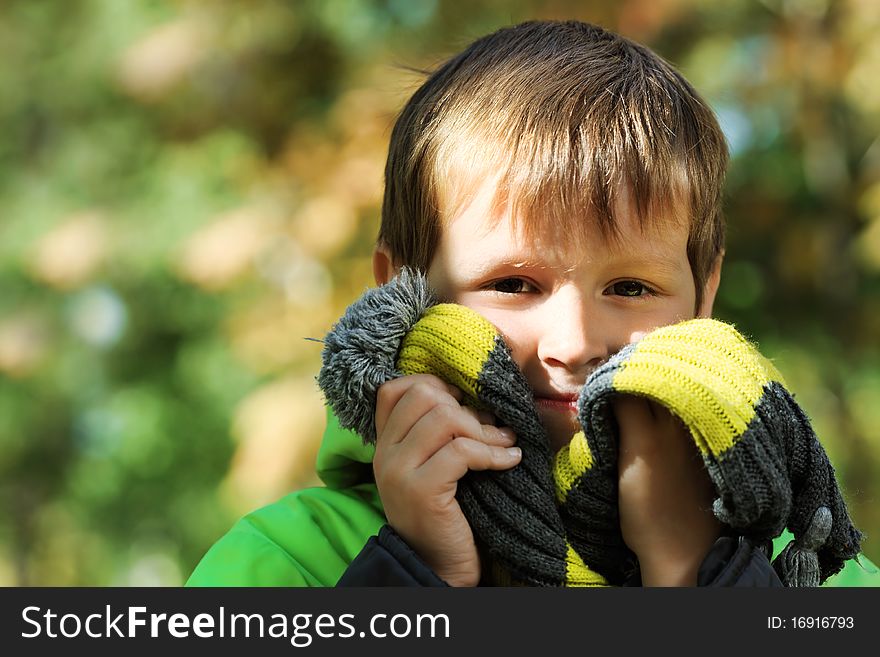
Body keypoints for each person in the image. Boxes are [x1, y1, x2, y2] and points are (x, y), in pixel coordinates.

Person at [186, 20, 877, 587]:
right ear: (401, 288)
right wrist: (417, 579)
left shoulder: (814, 575)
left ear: (704, 297)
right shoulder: (289, 565)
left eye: (630, 288)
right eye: (514, 284)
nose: (574, 343)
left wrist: (689, 574)